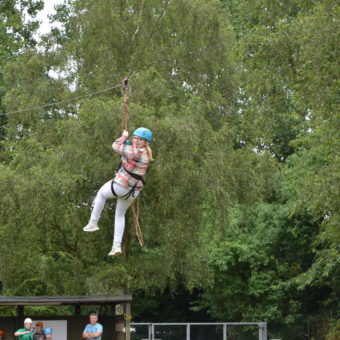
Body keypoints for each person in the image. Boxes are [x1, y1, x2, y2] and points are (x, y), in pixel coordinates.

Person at [83, 127, 153, 256]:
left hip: (122, 185)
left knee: (101, 194)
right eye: (135, 138)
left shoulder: (135, 151)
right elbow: (127, 156)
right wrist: (128, 143)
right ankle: (116, 246)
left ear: (145, 142)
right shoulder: (145, 153)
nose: (136, 141)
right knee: (120, 215)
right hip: (133, 191)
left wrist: (123, 137)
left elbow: (115, 146)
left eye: (140, 140)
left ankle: (93, 223)